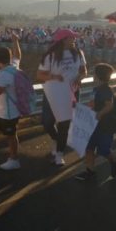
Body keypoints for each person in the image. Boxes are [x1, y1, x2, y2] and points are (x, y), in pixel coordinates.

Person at [37, 29, 86, 166]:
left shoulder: (78, 53)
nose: (74, 40)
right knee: (47, 122)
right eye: (72, 37)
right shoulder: (50, 56)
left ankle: (59, 154)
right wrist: (54, 77)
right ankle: (57, 140)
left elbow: (84, 71)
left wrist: (79, 77)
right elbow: (40, 75)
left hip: (71, 93)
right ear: (64, 40)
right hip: (53, 93)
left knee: (64, 124)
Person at [75, 63, 116, 181]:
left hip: (104, 126)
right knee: (89, 147)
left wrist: (99, 114)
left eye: (94, 73)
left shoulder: (106, 90)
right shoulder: (96, 89)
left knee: (104, 150)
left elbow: (109, 106)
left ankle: (114, 161)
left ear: (98, 76)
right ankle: (90, 171)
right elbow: (93, 104)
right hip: (93, 124)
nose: (93, 75)